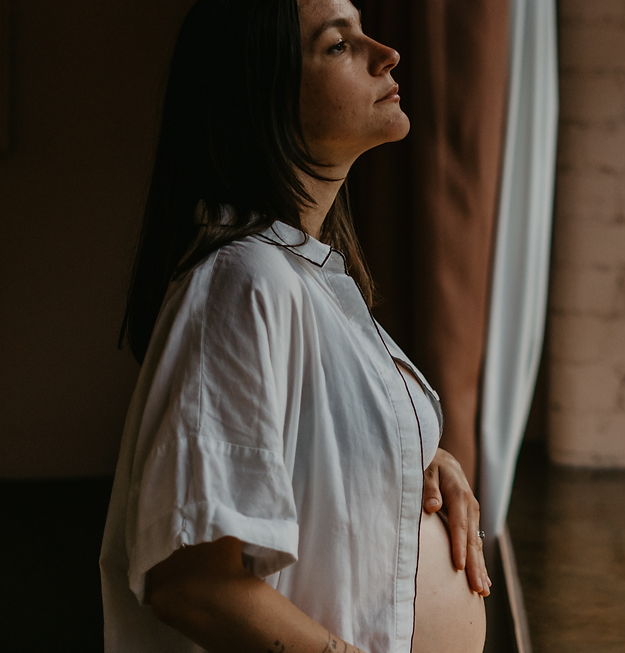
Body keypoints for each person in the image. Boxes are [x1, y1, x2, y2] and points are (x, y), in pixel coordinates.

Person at [99, 1, 490, 652]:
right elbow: (191, 580)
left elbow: (310, 459)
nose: (385, 53)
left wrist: (415, 455)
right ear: (263, 93)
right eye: (339, 45)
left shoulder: (303, 276)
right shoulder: (244, 280)